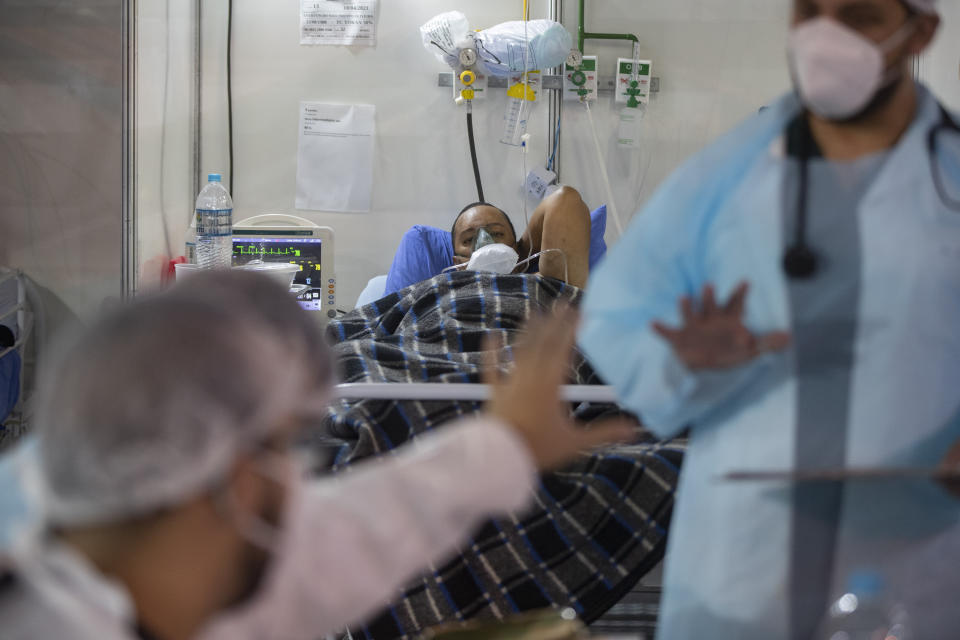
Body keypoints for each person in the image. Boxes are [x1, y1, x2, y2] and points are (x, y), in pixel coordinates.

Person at [579, 0, 960, 637]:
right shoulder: (724, 180)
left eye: (859, 15)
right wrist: (686, 363)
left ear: (921, 31)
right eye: (809, 10)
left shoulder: (949, 179)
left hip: (921, 555)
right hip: (747, 558)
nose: (824, 34)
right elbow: (615, 316)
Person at [0, 271, 631, 640]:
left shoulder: (95, 527)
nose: (302, 480)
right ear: (232, 478)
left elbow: (340, 541)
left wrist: (505, 445)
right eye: (283, 447)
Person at [452, 186, 592, 288]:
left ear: (516, 250)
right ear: (457, 263)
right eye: (469, 239)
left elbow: (565, 200)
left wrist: (522, 258)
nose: (486, 245)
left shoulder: (545, 287)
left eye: (496, 233)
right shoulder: (439, 289)